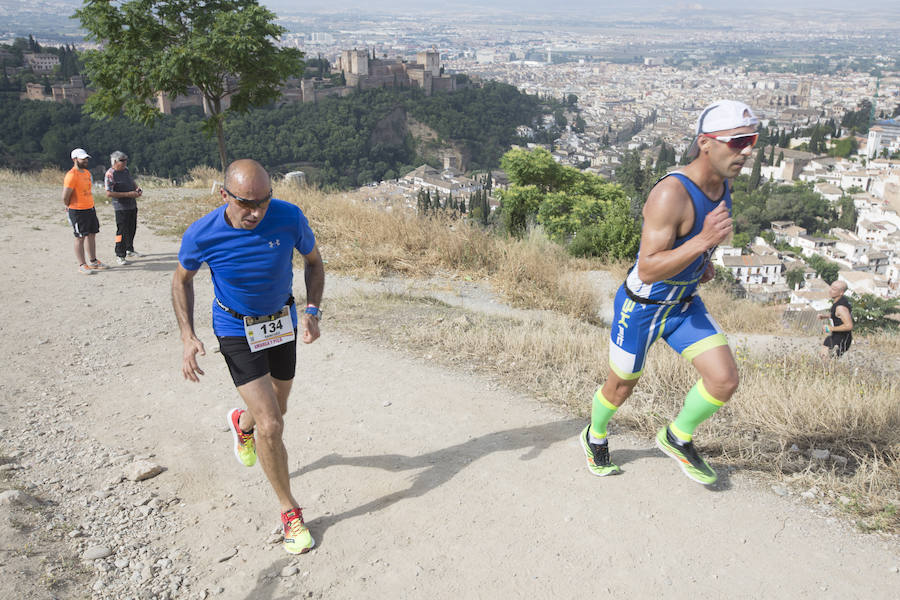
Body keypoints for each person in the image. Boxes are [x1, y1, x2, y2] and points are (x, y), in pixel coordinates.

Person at [580, 100, 759, 485]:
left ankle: (677, 437)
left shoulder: (723, 186)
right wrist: (703, 242)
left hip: (682, 305)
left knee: (724, 379)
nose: (747, 150)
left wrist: (702, 261)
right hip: (642, 307)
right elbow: (647, 267)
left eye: (752, 139)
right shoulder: (671, 194)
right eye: (738, 141)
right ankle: (595, 435)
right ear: (705, 144)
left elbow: (694, 243)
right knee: (621, 385)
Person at [171, 159, 325, 554]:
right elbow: (181, 279)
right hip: (235, 327)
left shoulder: (288, 217)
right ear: (225, 195)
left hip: (280, 322)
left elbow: (313, 262)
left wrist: (312, 311)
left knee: (279, 408)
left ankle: (242, 423)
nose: (256, 212)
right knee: (272, 425)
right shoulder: (202, 233)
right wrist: (188, 336)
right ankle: (289, 512)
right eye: (246, 204)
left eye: (263, 202)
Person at [63, 148, 108, 274]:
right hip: (77, 210)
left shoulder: (87, 173)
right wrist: (69, 207)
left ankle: (93, 261)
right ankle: (82, 264)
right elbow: (65, 196)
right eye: (83, 159)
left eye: (86, 158)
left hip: (89, 208)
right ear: (75, 159)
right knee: (80, 237)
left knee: (92, 234)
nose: (85, 161)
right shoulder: (71, 175)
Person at [104, 151, 143, 265]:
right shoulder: (110, 174)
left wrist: (137, 189)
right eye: (122, 160)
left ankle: (129, 249)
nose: (125, 162)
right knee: (121, 230)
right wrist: (128, 194)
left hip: (132, 204)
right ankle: (120, 254)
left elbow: (131, 181)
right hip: (120, 206)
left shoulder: (126, 170)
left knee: (132, 228)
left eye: (126, 160)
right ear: (115, 161)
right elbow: (109, 193)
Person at [818, 280, 853, 358]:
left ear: (841, 292)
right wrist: (825, 316)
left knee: (828, 361)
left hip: (842, 339)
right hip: (834, 336)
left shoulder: (841, 307)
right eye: (831, 288)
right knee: (822, 356)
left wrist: (831, 328)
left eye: (834, 289)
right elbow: (836, 315)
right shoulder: (838, 302)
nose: (830, 291)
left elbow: (849, 326)